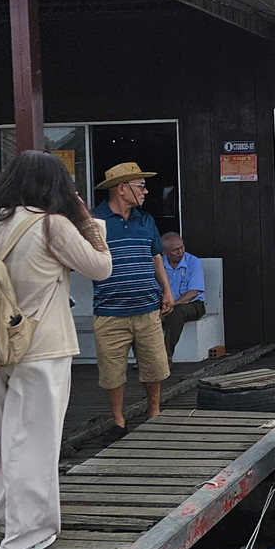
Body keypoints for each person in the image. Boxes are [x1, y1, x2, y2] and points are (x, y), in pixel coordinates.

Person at [0, 151, 112, 549]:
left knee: (1, 443)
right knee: (35, 443)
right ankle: (25, 537)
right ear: (55, 185)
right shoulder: (51, 224)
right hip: (40, 347)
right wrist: (87, 221)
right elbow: (100, 268)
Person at [92, 162, 174, 439]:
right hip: (109, 310)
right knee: (112, 372)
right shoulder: (95, 222)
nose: (145, 191)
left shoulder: (145, 220)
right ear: (122, 188)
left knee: (154, 366)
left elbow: (156, 257)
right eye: (140, 186)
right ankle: (119, 421)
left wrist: (167, 290)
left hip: (148, 307)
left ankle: (154, 412)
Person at [159, 231, 206, 361]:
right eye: (175, 250)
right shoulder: (159, 264)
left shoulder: (193, 262)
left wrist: (172, 305)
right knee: (144, 310)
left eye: (182, 247)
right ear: (164, 252)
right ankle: (143, 359)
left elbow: (194, 292)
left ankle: (166, 356)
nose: (180, 251)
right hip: (165, 303)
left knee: (177, 312)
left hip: (192, 304)